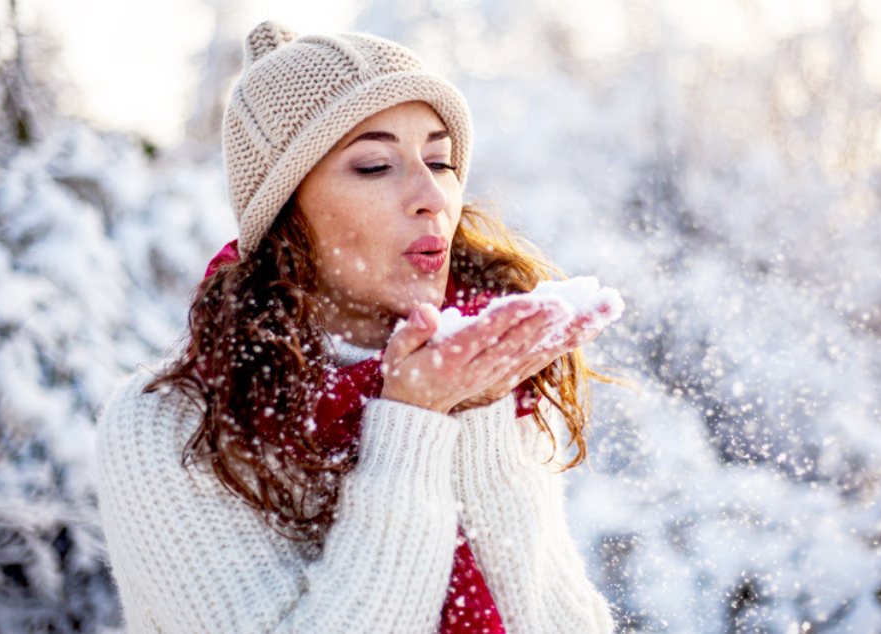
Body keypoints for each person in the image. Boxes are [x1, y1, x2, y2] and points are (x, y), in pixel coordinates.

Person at [95, 20, 616, 634]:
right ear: (287, 211)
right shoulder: (173, 426)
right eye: (374, 165)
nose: (432, 196)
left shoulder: (497, 371)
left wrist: (475, 410)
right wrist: (411, 424)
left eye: (440, 160)